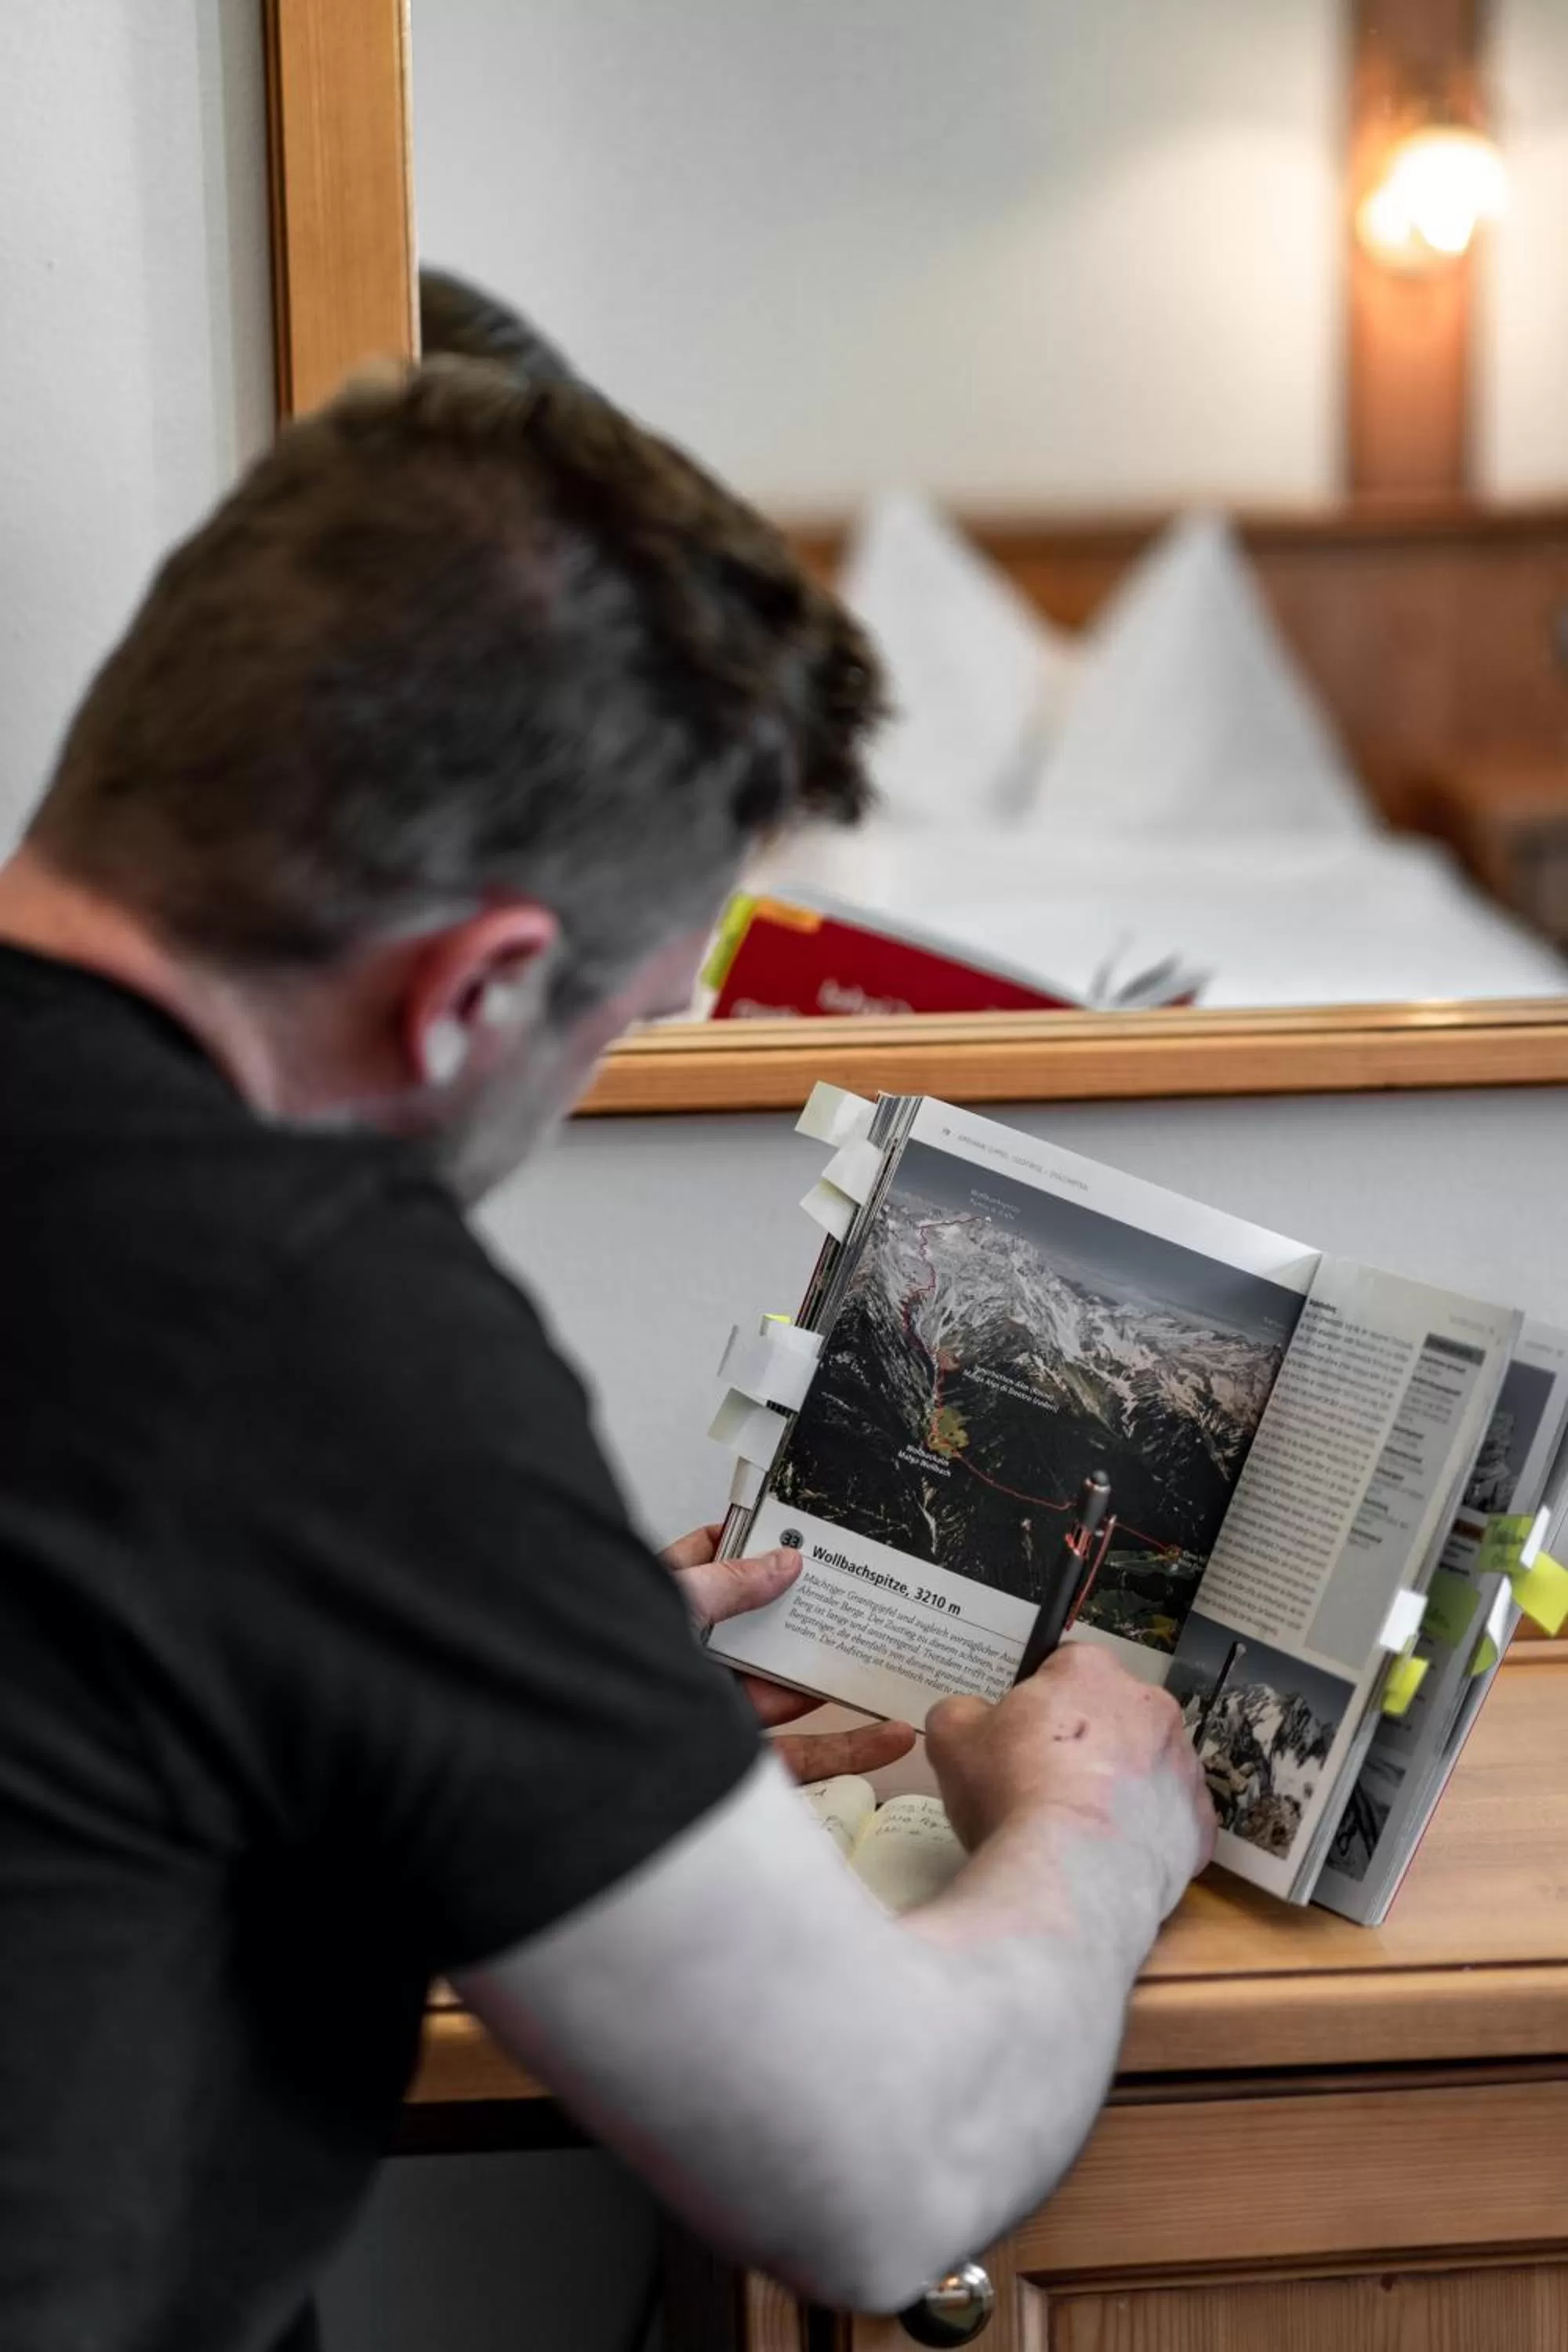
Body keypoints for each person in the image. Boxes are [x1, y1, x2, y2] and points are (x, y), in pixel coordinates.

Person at [0, 292, 1213, 2352]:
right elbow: (883, 2166)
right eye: (628, 1021)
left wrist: (493, 1661)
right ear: (477, 990)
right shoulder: (304, 1321)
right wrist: (1100, 1822)